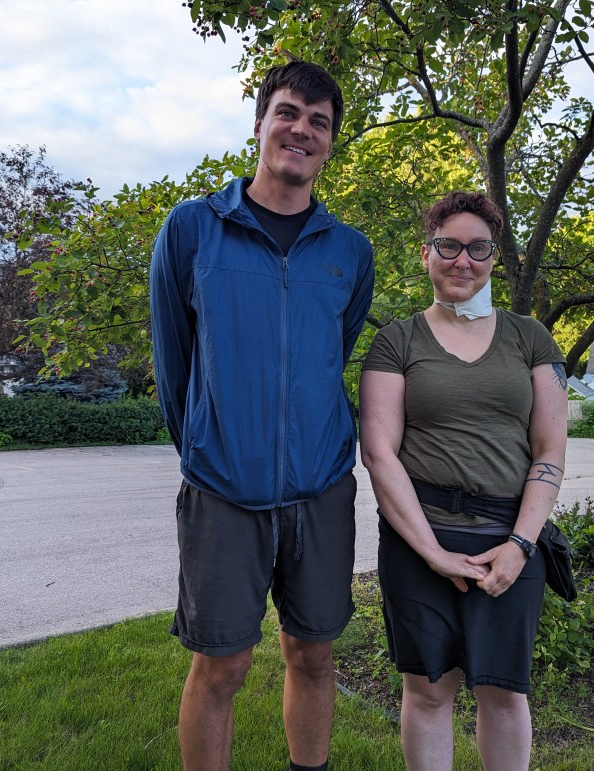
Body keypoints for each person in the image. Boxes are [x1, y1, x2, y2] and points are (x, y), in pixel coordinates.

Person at [149, 61, 374, 771]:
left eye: (319, 121)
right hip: (223, 492)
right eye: (288, 112)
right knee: (223, 666)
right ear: (259, 124)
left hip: (322, 490)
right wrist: (215, 450)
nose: (302, 129)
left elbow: (328, 357)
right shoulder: (192, 231)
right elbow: (175, 366)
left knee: (312, 652)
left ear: (331, 143)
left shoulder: (350, 251)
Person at [358, 191, 567, 770]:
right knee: (429, 691)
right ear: (426, 253)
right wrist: (431, 552)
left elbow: (549, 450)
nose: (462, 260)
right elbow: (380, 453)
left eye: (478, 248)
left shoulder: (530, 339)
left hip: (510, 539)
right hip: (420, 535)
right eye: (448, 245)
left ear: (494, 258)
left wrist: (522, 545)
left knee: (503, 692)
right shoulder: (397, 341)